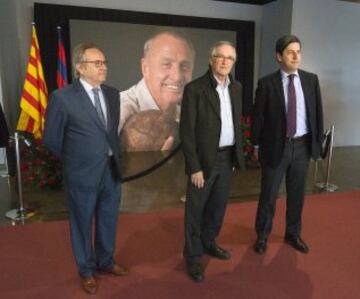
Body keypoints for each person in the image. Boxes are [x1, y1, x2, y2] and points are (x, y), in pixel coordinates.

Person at [44, 43, 129, 295]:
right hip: (81, 174)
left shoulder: (112, 94)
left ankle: (105, 261)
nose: (103, 67)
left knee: (108, 220)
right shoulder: (62, 98)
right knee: (81, 224)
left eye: (104, 62)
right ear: (80, 67)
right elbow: (52, 139)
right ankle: (86, 270)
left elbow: (110, 133)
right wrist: (77, 161)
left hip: (111, 171)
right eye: (97, 63)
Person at [251, 35, 324, 255]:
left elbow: (317, 114)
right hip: (275, 147)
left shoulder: (311, 80)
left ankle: (293, 234)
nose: (296, 56)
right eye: (290, 52)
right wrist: (255, 146)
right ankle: (262, 236)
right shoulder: (267, 84)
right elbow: (258, 119)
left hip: (302, 147)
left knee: (297, 195)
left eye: (298, 51)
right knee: (269, 195)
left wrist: (317, 145)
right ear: (279, 56)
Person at [180, 41, 245, 282]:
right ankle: (193, 257)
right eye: (220, 57)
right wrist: (194, 167)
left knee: (217, 208)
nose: (225, 61)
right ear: (211, 59)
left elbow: (235, 124)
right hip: (203, 162)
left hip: (226, 159)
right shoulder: (195, 89)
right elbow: (186, 132)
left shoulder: (236, 88)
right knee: (195, 211)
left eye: (230, 58)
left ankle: (209, 242)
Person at [120, 30, 195, 151]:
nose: (177, 76)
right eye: (166, 64)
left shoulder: (189, 119)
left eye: (184, 66)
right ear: (145, 68)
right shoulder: (117, 112)